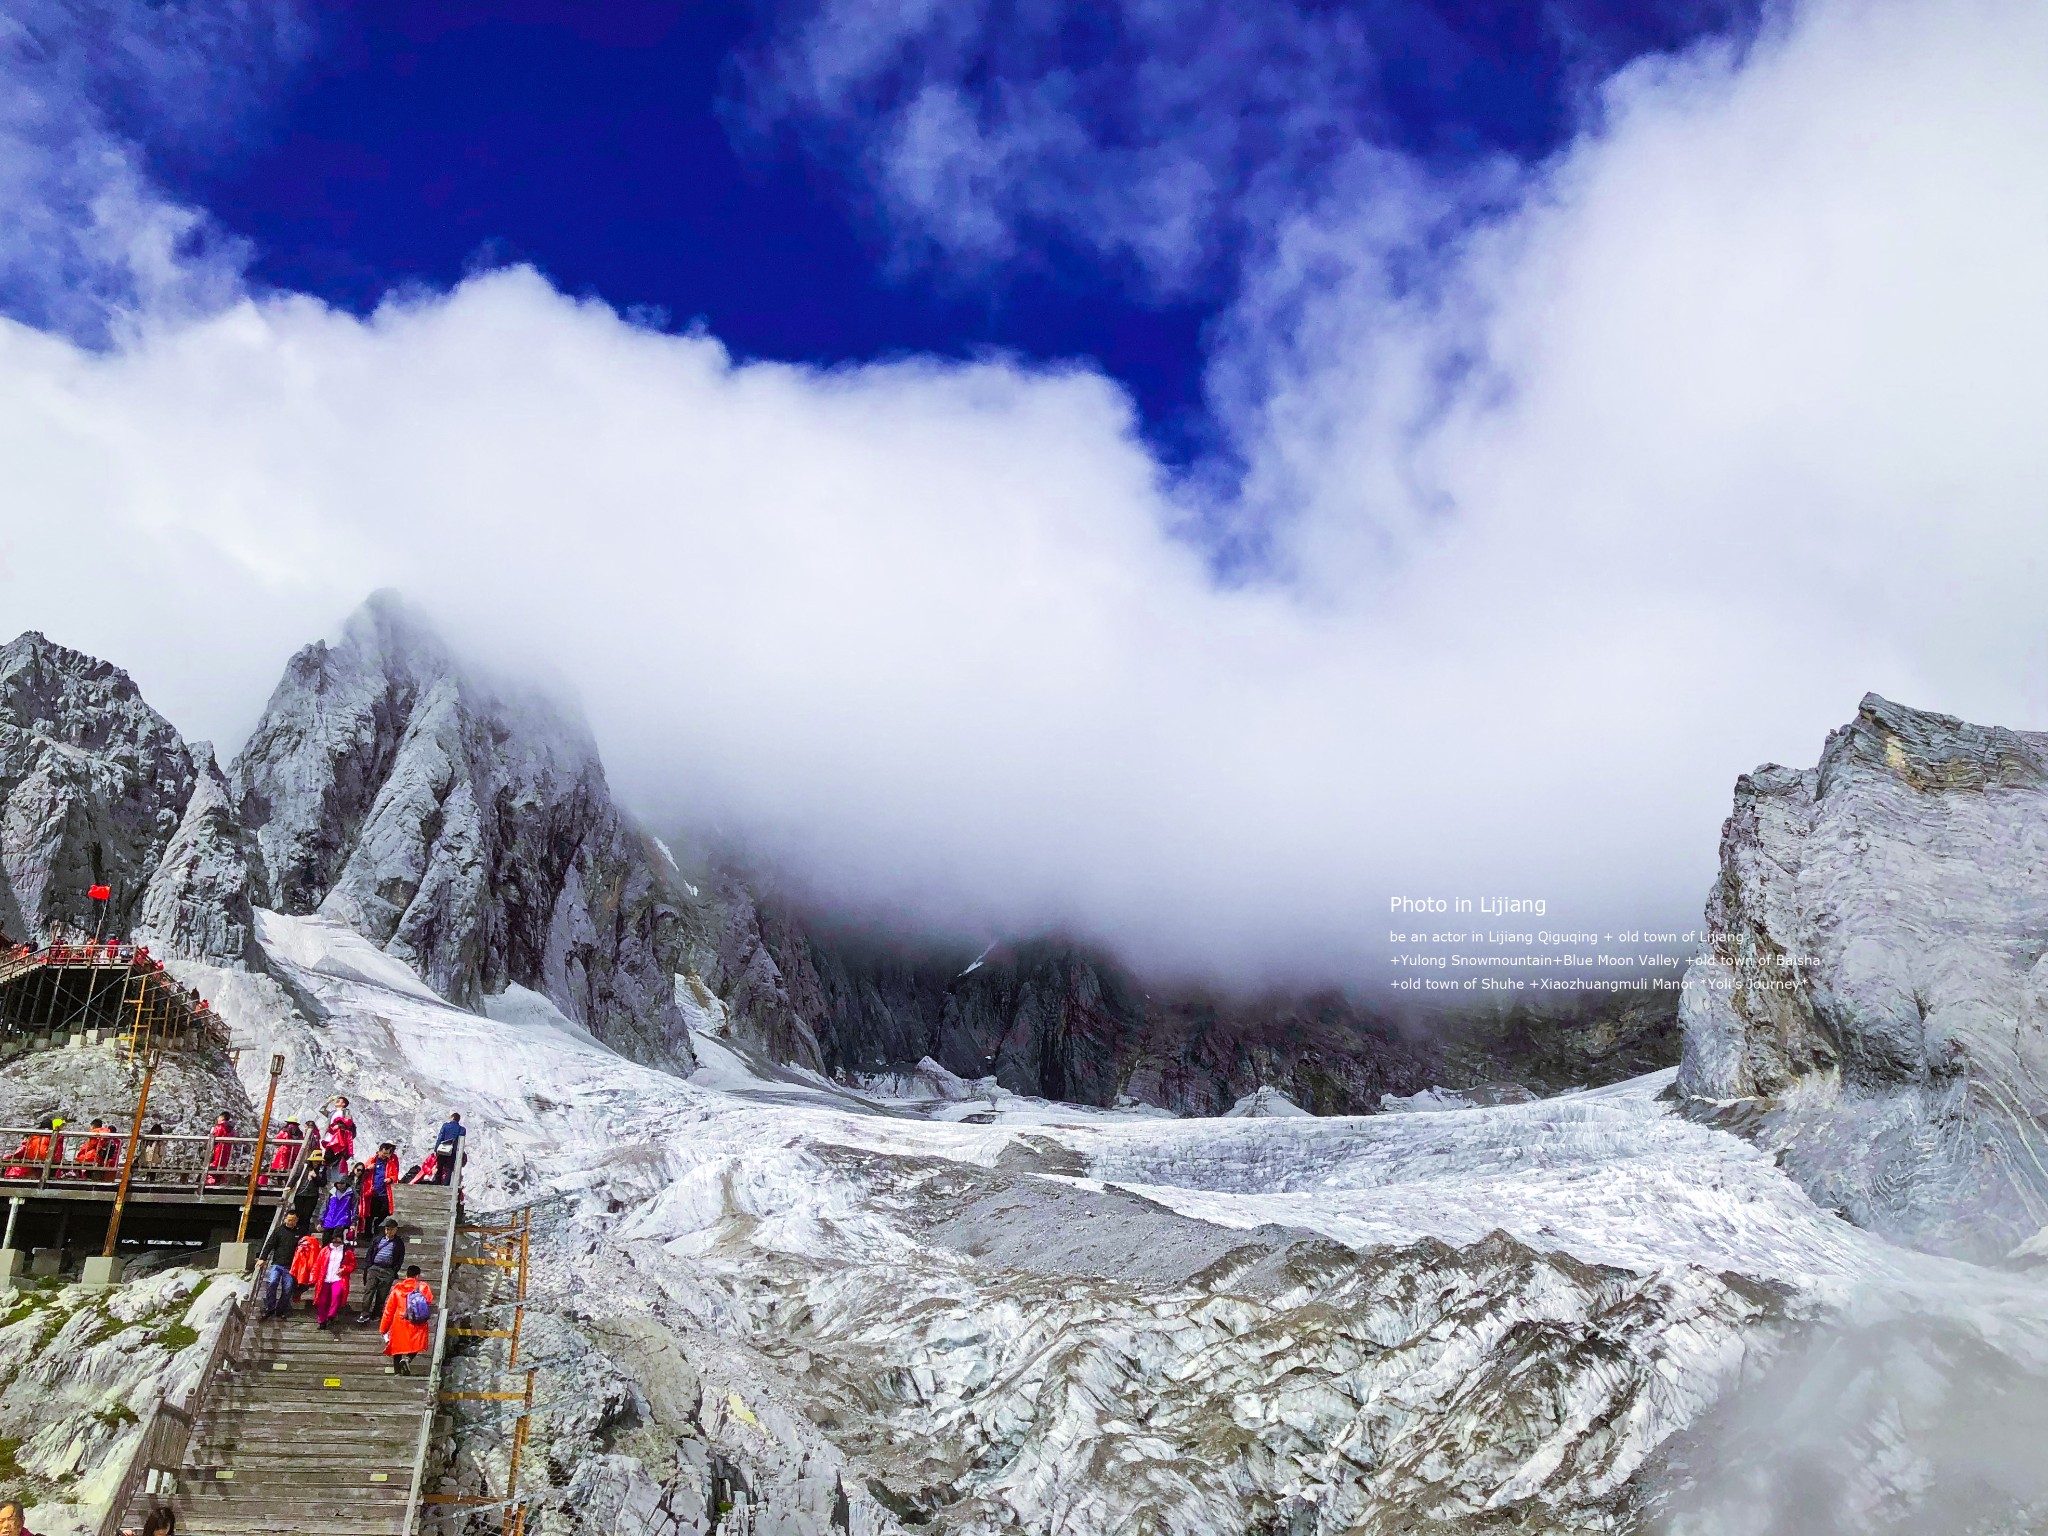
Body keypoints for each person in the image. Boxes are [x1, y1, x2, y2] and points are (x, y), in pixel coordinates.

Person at [380, 1263, 433, 1374]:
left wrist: (383, 1328)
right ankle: (408, 1359)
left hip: (400, 1322)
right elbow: (429, 1300)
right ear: (417, 1276)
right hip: (417, 1322)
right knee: (417, 1344)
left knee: (397, 1349)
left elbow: (388, 1311)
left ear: (406, 1275)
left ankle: (397, 1373)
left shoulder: (397, 1289)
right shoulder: (423, 1287)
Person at [357, 1217, 406, 1325]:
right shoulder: (378, 1239)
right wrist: (368, 1266)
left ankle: (376, 1314)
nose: (389, 1231)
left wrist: (394, 1271)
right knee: (369, 1290)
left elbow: (400, 1258)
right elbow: (370, 1253)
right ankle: (364, 1313)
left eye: (392, 1229)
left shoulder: (398, 1243)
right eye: (387, 1229)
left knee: (382, 1294)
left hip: (388, 1270)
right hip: (374, 1268)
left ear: (396, 1230)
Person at [257, 1211, 302, 1318]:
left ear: (296, 1221)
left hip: (291, 1266)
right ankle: (269, 1308)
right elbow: (269, 1245)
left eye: (293, 1220)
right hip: (277, 1264)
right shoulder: (278, 1231)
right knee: (272, 1283)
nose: (291, 1222)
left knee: (287, 1288)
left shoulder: (300, 1233)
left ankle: (280, 1310)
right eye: (289, 1220)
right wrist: (262, 1258)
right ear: (285, 1219)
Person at [313, 1235, 356, 1328]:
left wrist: (344, 1269)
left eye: (339, 1242)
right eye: (334, 1242)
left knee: (336, 1296)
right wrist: (313, 1278)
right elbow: (317, 1264)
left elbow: (352, 1265)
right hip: (325, 1278)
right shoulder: (325, 1250)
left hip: (338, 1278)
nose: (336, 1244)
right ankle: (321, 1321)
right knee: (322, 1300)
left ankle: (331, 1315)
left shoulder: (347, 1252)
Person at [362, 1141, 400, 1227]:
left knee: (386, 1210)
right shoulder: (372, 1160)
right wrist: (368, 1168)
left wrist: (390, 1179)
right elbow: (362, 1173)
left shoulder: (390, 1163)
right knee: (370, 1214)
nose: (384, 1155)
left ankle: (377, 1223)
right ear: (379, 1151)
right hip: (372, 1191)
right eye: (383, 1153)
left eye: (387, 1154)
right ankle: (368, 1233)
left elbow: (395, 1175)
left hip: (384, 1191)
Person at [289, 1227, 323, 1305]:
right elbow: (315, 1257)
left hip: (299, 1266)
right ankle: (297, 1294)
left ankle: (295, 1294)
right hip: (307, 1267)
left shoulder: (301, 1241)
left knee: (297, 1283)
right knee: (304, 1284)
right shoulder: (315, 1243)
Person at [431, 1111, 464, 1184]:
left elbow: (440, 1137)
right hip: (453, 1151)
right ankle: (446, 1184)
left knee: (440, 1166)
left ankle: (437, 1182)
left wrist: (436, 1149)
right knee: (449, 1168)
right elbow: (460, 1142)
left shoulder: (445, 1126)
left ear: (452, 1117)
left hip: (443, 1149)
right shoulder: (462, 1129)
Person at [206, 1113, 234, 1185]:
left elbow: (214, 1136)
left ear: (222, 1118)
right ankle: (220, 1182)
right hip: (226, 1151)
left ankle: (210, 1183)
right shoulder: (231, 1130)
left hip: (218, 1150)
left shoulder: (219, 1127)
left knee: (213, 1167)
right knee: (221, 1167)